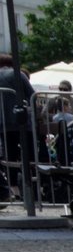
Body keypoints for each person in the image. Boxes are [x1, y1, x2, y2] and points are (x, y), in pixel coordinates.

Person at [0, 54, 35, 195]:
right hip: (22, 121)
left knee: (9, 155)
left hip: (3, 123)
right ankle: (31, 185)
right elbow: (33, 96)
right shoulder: (18, 74)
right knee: (29, 154)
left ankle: (13, 187)